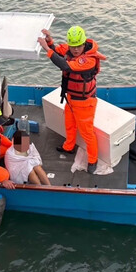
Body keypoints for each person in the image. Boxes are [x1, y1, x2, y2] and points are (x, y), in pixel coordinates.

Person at [37, 26, 106, 174]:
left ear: (84, 43)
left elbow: (65, 65)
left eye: (78, 46)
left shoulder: (89, 60)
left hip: (85, 103)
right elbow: (59, 51)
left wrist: (45, 49)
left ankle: (92, 160)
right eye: (73, 46)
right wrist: (50, 43)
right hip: (71, 98)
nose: (75, 50)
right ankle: (69, 146)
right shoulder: (70, 48)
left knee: (87, 133)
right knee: (69, 124)